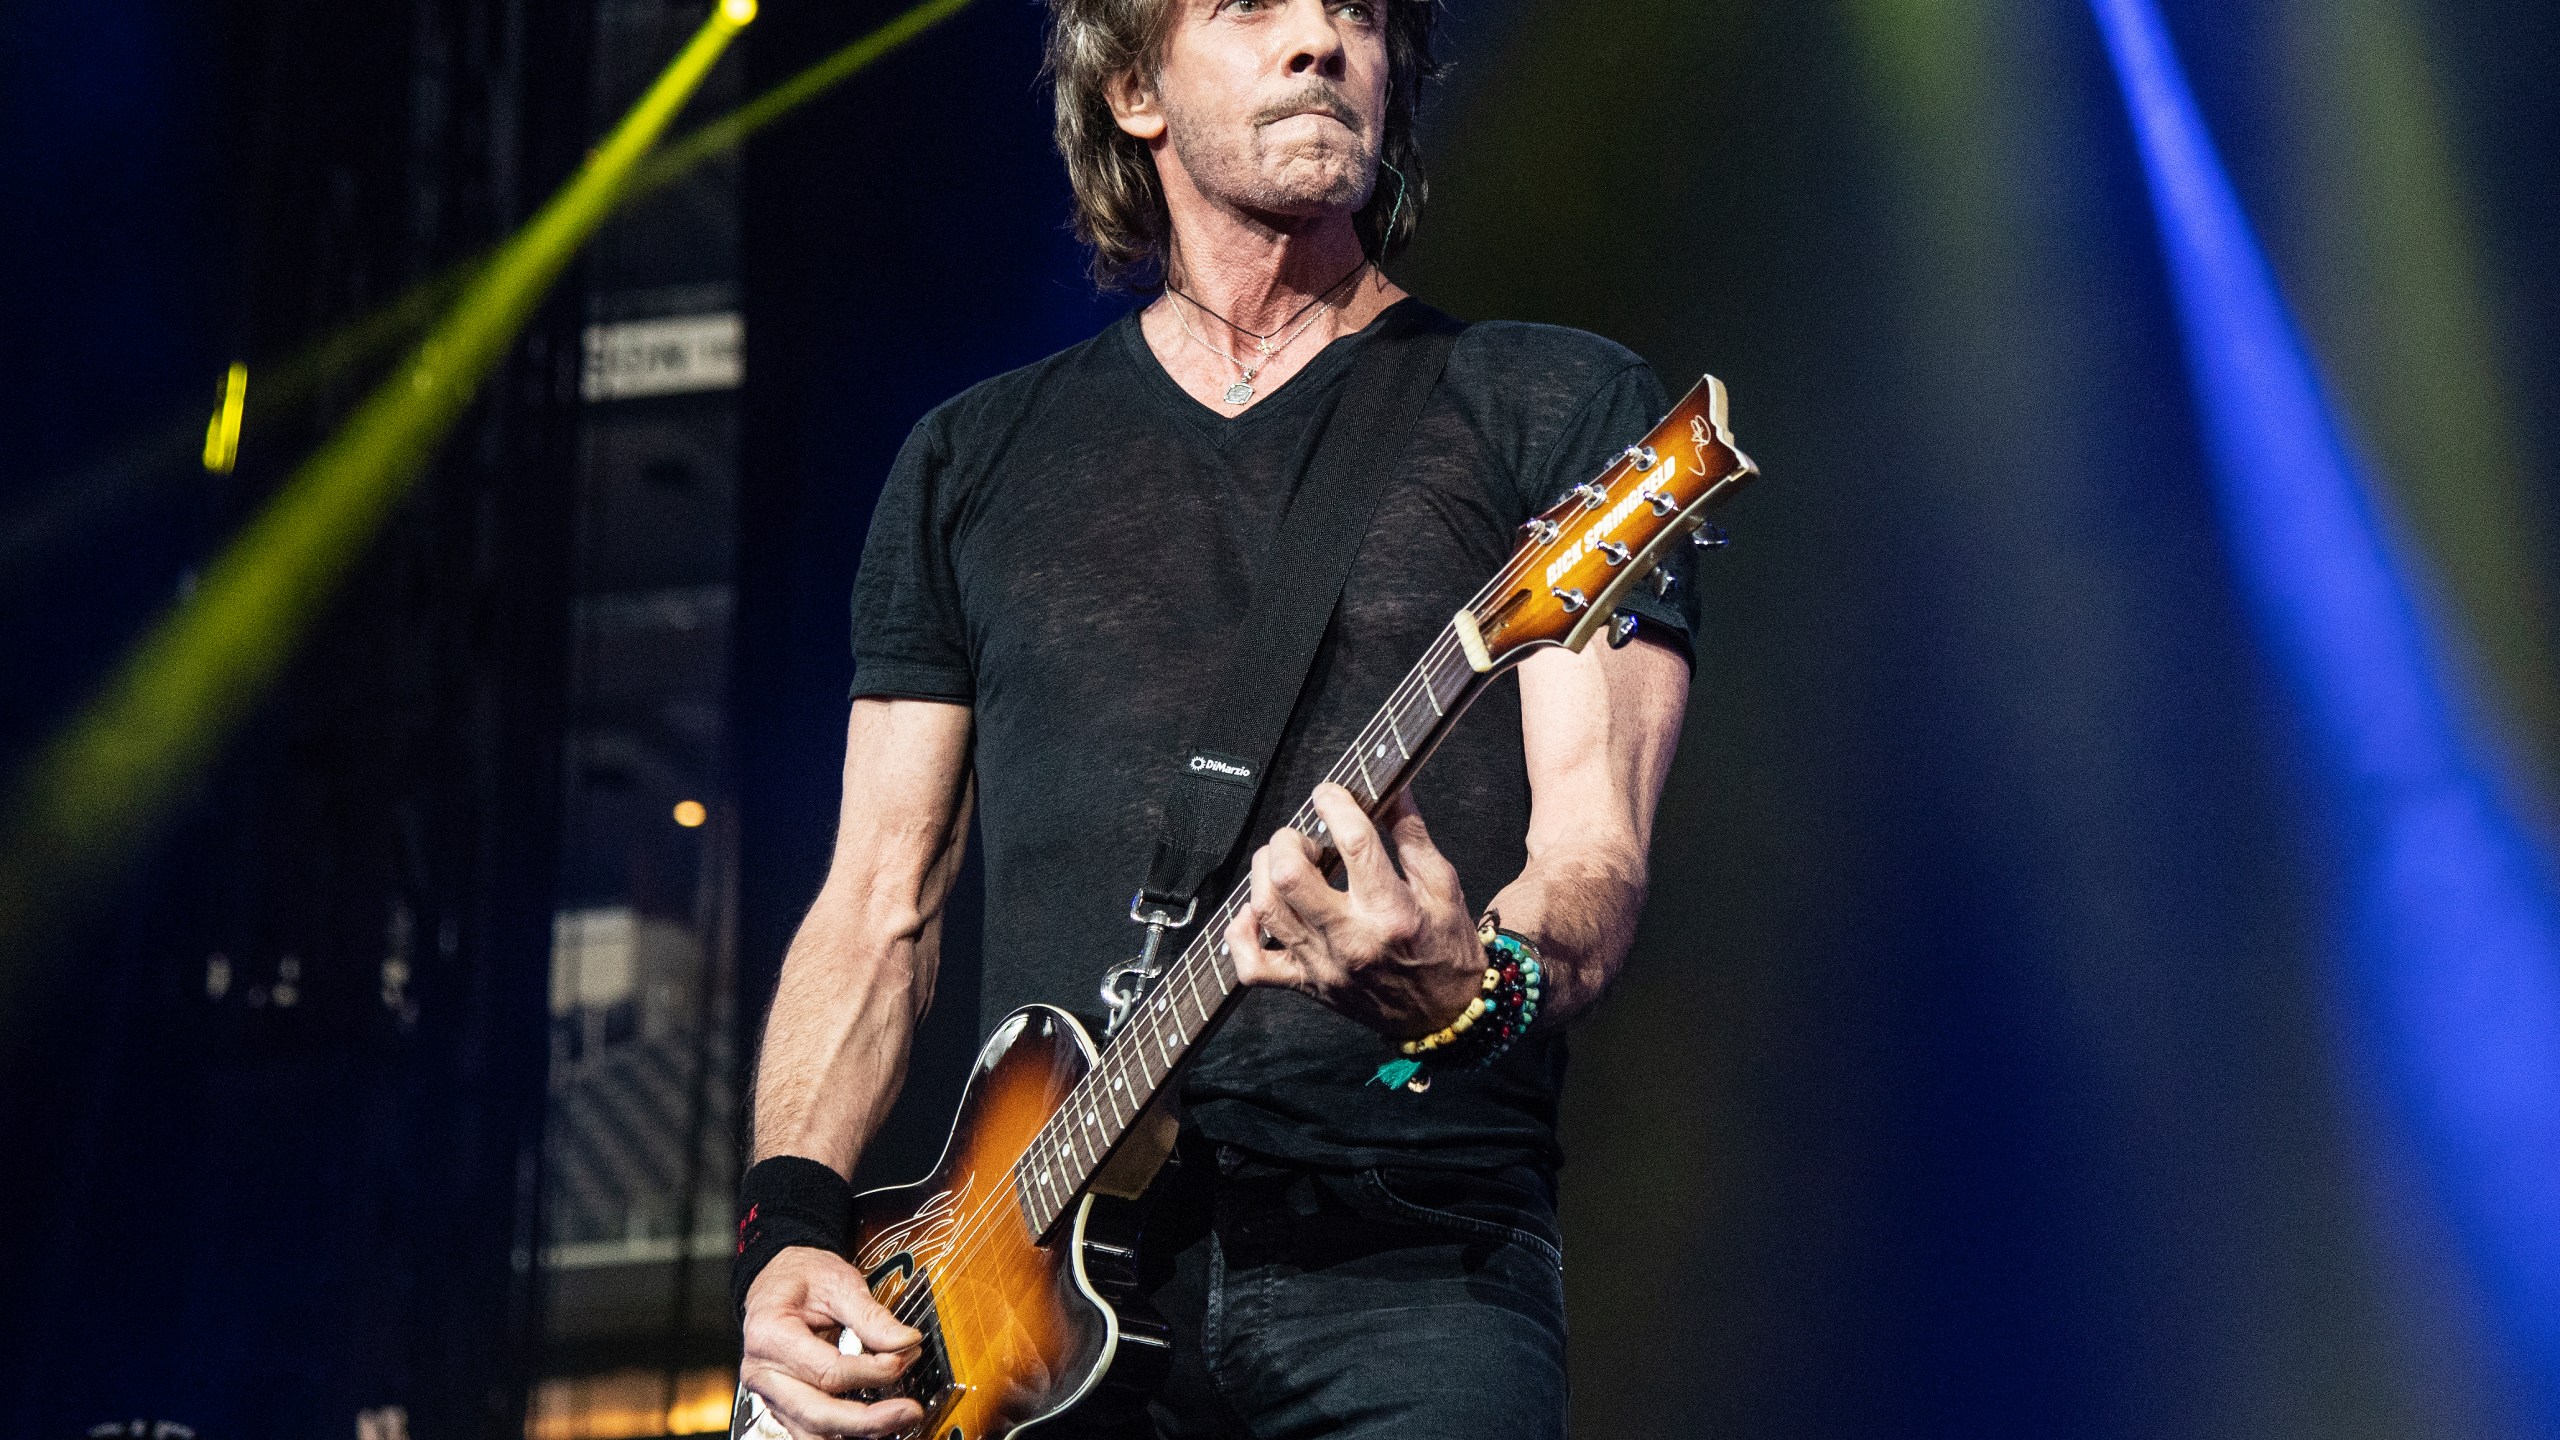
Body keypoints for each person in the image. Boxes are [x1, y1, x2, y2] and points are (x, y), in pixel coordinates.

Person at [733, 0, 1700, 1435]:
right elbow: (876, 903)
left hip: (1415, 1266)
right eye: (1256, 6)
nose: (1324, 39)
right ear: (1133, 89)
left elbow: (1592, 860)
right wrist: (795, 1223)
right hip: (1014, 1309)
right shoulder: (967, 463)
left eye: (1362, 15)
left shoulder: (1552, 405)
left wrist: (1474, 979)